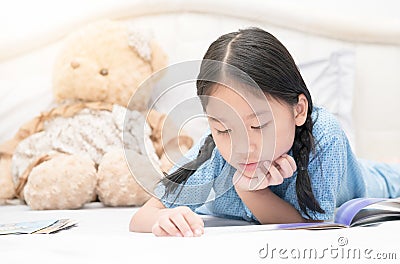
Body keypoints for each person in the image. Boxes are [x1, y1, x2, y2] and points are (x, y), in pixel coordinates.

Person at [129, 27, 400, 237]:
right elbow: (142, 217)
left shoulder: (323, 136)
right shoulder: (213, 155)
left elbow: (317, 228)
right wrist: (164, 220)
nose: (242, 146)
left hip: (372, 177)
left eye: (258, 125)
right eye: (223, 129)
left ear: (298, 110)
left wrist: (253, 194)